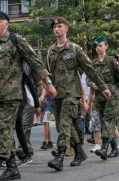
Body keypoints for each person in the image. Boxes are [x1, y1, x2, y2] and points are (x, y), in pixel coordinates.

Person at [0, 11, 56, 181]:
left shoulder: (16, 41)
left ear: (6, 24)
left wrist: (48, 83)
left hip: (10, 96)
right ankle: (12, 167)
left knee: (3, 129)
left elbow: (34, 62)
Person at [45, 16, 110, 171]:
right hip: (56, 94)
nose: (56, 29)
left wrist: (103, 87)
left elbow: (89, 69)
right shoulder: (50, 51)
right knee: (65, 126)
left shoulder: (75, 49)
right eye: (54, 27)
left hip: (71, 94)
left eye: (60, 26)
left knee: (65, 123)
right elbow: (46, 72)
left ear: (66, 28)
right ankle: (80, 152)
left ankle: (60, 155)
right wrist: (44, 91)